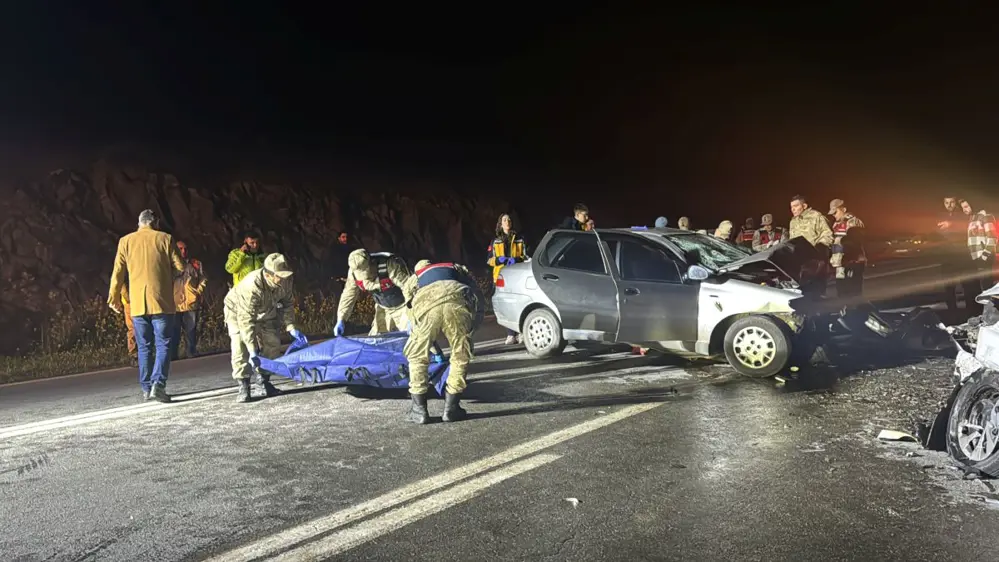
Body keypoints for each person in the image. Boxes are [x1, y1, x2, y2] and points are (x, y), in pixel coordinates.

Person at [107, 209, 185, 402]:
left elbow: (117, 272)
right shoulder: (165, 238)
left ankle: (146, 387)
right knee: (163, 344)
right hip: (161, 302)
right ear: (155, 222)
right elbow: (181, 267)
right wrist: (168, 277)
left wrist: (113, 298)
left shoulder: (125, 241)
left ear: (140, 223)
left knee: (143, 347)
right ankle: (158, 384)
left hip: (137, 304)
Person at [403, 260, 485, 424]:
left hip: (426, 305)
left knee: (417, 357)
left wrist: (416, 331)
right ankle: (451, 409)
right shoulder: (456, 267)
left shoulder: (416, 276)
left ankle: (419, 411)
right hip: (458, 300)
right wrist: (474, 324)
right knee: (460, 355)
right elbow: (477, 294)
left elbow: (409, 305)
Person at [224, 253, 307, 403]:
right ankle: (243, 384)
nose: (284, 279)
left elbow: (287, 304)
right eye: (279, 276)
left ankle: (263, 380)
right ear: (268, 275)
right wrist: (252, 349)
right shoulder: (252, 285)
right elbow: (246, 320)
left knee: (273, 343)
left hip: (266, 309)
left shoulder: (285, 280)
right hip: (237, 311)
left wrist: (291, 327)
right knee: (240, 345)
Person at [334, 249, 413, 337]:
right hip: (382, 308)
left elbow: (410, 288)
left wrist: (413, 315)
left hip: (404, 308)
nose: (364, 278)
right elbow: (348, 295)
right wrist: (341, 318)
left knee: (409, 339)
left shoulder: (389, 264)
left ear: (371, 262)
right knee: (376, 339)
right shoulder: (354, 272)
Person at [488, 213, 528, 345]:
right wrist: (499, 260)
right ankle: (511, 334)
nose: (507, 222)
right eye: (504, 220)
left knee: (521, 303)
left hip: (517, 275)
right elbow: (489, 260)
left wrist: (516, 259)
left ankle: (521, 332)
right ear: (500, 223)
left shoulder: (519, 238)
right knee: (506, 305)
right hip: (501, 277)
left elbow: (526, 256)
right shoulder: (495, 241)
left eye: (509, 220)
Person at [789, 195, 835, 297]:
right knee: (802, 293)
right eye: (791, 207)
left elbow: (828, 234)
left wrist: (819, 248)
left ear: (804, 206)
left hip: (816, 262)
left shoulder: (816, 216)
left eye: (796, 206)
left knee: (817, 292)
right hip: (800, 263)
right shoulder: (793, 221)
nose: (793, 209)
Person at [170, 240, 207, 360]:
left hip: (191, 302)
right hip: (175, 303)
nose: (183, 251)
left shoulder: (195, 264)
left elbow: (203, 279)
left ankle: (191, 351)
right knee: (174, 331)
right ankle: (173, 355)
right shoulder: (170, 264)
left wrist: (198, 292)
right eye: (180, 249)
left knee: (191, 329)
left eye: (185, 249)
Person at [938, 196, 975, 314]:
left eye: (951, 202)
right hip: (947, 258)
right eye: (946, 202)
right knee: (949, 288)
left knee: (967, 286)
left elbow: (966, 228)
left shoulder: (962, 215)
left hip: (962, 256)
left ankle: (971, 312)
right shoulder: (940, 216)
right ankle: (952, 312)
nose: (949, 205)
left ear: (955, 203)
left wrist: (951, 225)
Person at [961, 199, 997, 315]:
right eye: (963, 207)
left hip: (984, 258)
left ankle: (991, 315)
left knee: (986, 288)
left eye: (966, 206)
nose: (964, 210)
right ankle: (986, 314)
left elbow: (992, 238)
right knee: (982, 288)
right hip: (976, 258)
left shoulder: (985, 216)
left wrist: (984, 256)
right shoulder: (972, 218)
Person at [828, 199, 867, 298]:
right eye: (832, 213)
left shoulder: (853, 221)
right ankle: (844, 310)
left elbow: (856, 242)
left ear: (844, 209)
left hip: (853, 262)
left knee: (853, 290)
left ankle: (855, 311)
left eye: (835, 212)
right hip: (840, 264)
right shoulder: (836, 224)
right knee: (841, 288)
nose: (834, 215)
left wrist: (849, 258)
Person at [121, 284, 138, 367]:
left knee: (133, 328)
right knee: (133, 328)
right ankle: (134, 354)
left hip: (131, 299)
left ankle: (135, 354)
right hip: (131, 299)